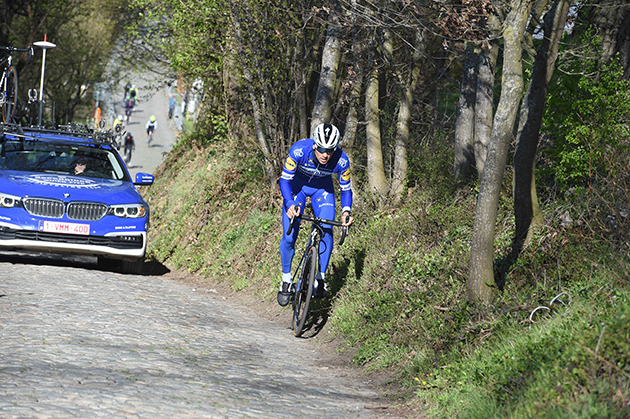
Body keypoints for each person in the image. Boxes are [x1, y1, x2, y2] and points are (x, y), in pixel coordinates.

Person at [277, 123, 354, 306]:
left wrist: (346, 211)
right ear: (314, 145)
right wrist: (289, 204)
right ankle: (286, 279)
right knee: (289, 234)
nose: (325, 154)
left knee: (326, 228)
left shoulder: (342, 161)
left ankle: (320, 277)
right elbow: (285, 180)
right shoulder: (299, 150)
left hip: (323, 190)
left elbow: (345, 190)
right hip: (298, 188)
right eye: (321, 149)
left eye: (330, 150)